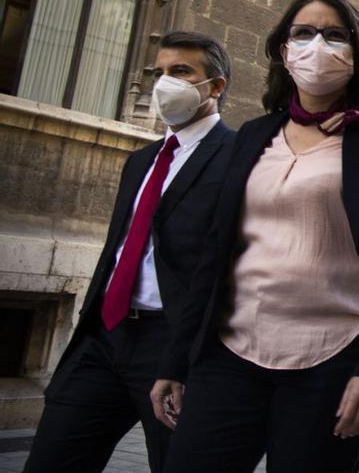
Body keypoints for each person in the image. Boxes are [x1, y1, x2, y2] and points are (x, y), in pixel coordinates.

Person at [160, 0, 359, 472]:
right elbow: (215, 252)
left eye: (333, 34)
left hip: (332, 359)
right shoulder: (253, 135)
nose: (316, 46)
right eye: (303, 33)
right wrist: (176, 359)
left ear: (356, 51)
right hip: (229, 352)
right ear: (284, 52)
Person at [22, 31, 235, 473]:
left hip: (176, 345)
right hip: (106, 336)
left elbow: (228, 266)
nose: (164, 83)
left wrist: (187, 358)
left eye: (180, 72)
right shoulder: (142, 160)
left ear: (215, 86)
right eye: (159, 72)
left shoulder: (239, 157)